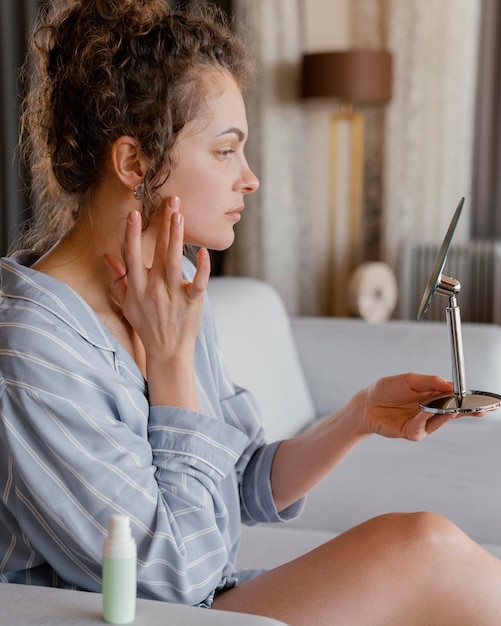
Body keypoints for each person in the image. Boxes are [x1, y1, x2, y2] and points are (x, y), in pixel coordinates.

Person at [0, 0, 500, 623]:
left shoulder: (173, 283)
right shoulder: (29, 351)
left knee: (432, 556)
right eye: (225, 151)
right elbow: (170, 580)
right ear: (134, 164)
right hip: (153, 612)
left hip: (215, 599)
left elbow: (235, 479)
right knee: (424, 551)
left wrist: (356, 415)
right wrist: (173, 364)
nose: (251, 178)